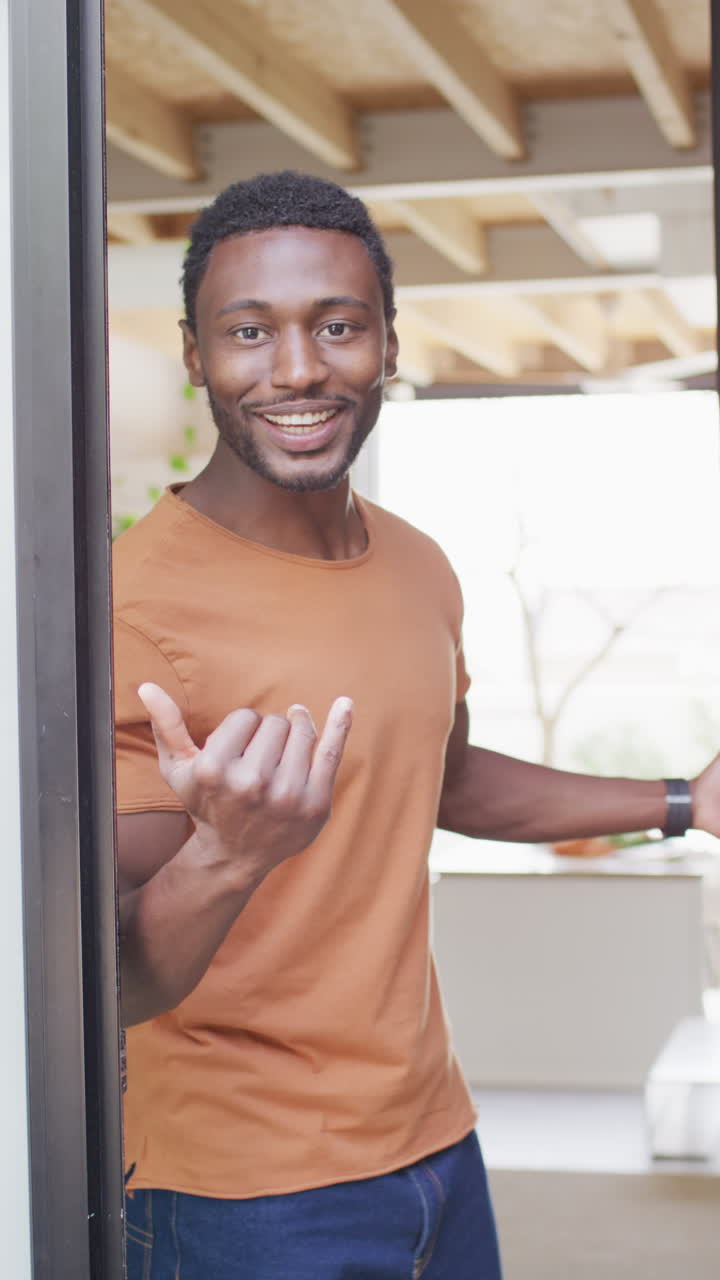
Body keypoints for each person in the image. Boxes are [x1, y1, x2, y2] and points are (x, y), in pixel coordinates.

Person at [114, 170, 720, 1280]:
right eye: (250, 332)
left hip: (435, 1139)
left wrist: (682, 799)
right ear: (197, 355)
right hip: (241, 1185)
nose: (297, 368)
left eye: (336, 326)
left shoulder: (415, 563)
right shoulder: (133, 604)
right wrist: (233, 854)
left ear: (389, 342)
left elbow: (440, 776)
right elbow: (117, 972)